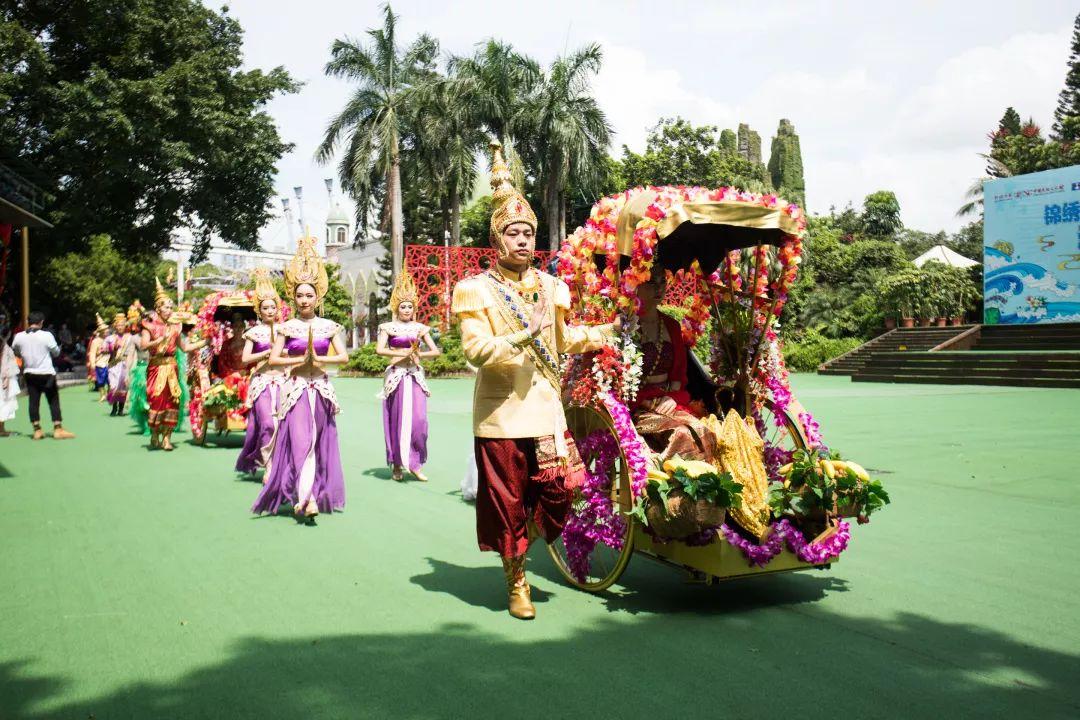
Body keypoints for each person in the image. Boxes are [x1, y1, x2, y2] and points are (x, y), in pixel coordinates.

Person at [450, 141, 615, 620]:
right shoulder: (475, 289)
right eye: (513, 233)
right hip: (501, 417)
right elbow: (476, 350)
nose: (522, 240)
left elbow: (564, 340)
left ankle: (531, 538)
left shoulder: (550, 286)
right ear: (498, 240)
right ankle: (516, 579)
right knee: (507, 503)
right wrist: (517, 340)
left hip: (545, 411)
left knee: (562, 488)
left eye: (528, 232)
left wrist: (607, 332)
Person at [251, 236, 348, 521]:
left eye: (309, 295)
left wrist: (319, 361)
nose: (304, 300)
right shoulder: (287, 327)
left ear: (318, 298)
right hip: (294, 391)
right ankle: (305, 496)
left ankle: (312, 495)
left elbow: (342, 357)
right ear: (294, 298)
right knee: (300, 441)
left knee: (319, 443)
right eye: (300, 296)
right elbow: (274, 358)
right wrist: (297, 360)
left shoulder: (328, 326)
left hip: (320, 389)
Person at [631, 264, 716, 462]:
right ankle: (673, 490)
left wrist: (671, 398)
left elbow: (679, 377)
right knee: (682, 434)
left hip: (668, 402)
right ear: (635, 284)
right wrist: (646, 401)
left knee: (705, 431)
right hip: (637, 406)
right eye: (652, 282)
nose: (659, 289)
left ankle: (703, 491)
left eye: (663, 282)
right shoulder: (625, 324)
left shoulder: (671, 325)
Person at [377, 268, 441, 482]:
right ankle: (397, 465)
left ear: (414, 309)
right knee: (397, 420)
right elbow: (379, 350)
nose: (406, 310)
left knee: (420, 422)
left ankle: (415, 463)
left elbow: (435, 351)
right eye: (402, 306)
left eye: (409, 307)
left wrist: (417, 353)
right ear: (397, 308)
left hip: (414, 376)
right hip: (396, 376)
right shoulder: (388, 327)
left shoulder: (420, 328)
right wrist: (401, 352)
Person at [236, 268, 284, 479]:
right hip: (262, 381)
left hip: (283, 381)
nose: (270, 310)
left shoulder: (287, 330)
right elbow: (245, 359)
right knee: (267, 424)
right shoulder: (253, 333)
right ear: (259, 310)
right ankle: (269, 464)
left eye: (273, 306)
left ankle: (281, 462)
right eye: (265, 308)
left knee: (282, 424)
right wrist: (267, 352)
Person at [140, 278, 198, 451]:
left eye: (171, 307)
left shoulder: (175, 327)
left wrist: (206, 342)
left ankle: (167, 438)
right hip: (156, 368)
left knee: (173, 402)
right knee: (156, 400)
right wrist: (158, 340)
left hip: (172, 368)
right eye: (166, 307)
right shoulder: (149, 326)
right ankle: (154, 435)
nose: (169, 310)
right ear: (158, 309)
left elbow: (185, 347)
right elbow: (144, 345)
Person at [11, 310, 75, 440]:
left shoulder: (19, 336)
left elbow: (15, 351)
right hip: (46, 373)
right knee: (53, 400)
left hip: (29, 372)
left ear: (28, 322)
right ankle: (58, 429)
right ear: (41, 322)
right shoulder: (46, 335)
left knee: (33, 401)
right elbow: (56, 353)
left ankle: (37, 430)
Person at [106, 312, 136, 417]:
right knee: (113, 386)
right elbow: (103, 349)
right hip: (114, 365)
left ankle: (121, 409)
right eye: (118, 325)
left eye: (122, 325)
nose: (120, 327)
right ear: (115, 326)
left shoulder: (130, 337)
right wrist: (112, 347)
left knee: (123, 386)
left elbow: (133, 351)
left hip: (125, 364)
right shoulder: (110, 338)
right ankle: (114, 408)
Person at [88, 314, 110, 403]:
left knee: (110, 381)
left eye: (107, 330)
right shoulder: (95, 341)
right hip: (100, 363)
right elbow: (92, 353)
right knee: (100, 381)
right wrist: (92, 363)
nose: (106, 332)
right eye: (104, 331)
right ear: (100, 332)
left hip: (109, 363)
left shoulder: (110, 339)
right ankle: (102, 394)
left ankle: (109, 395)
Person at [0, 334, 18, 436]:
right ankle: (1, 430)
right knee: (3, 403)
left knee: (3, 403)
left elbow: (8, 364)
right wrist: (6, 378)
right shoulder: (5, 348)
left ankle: (1, 429)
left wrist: (6, 377)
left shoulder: (5, 348)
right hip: (3, 379)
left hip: (3, 378)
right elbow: (9, 364)